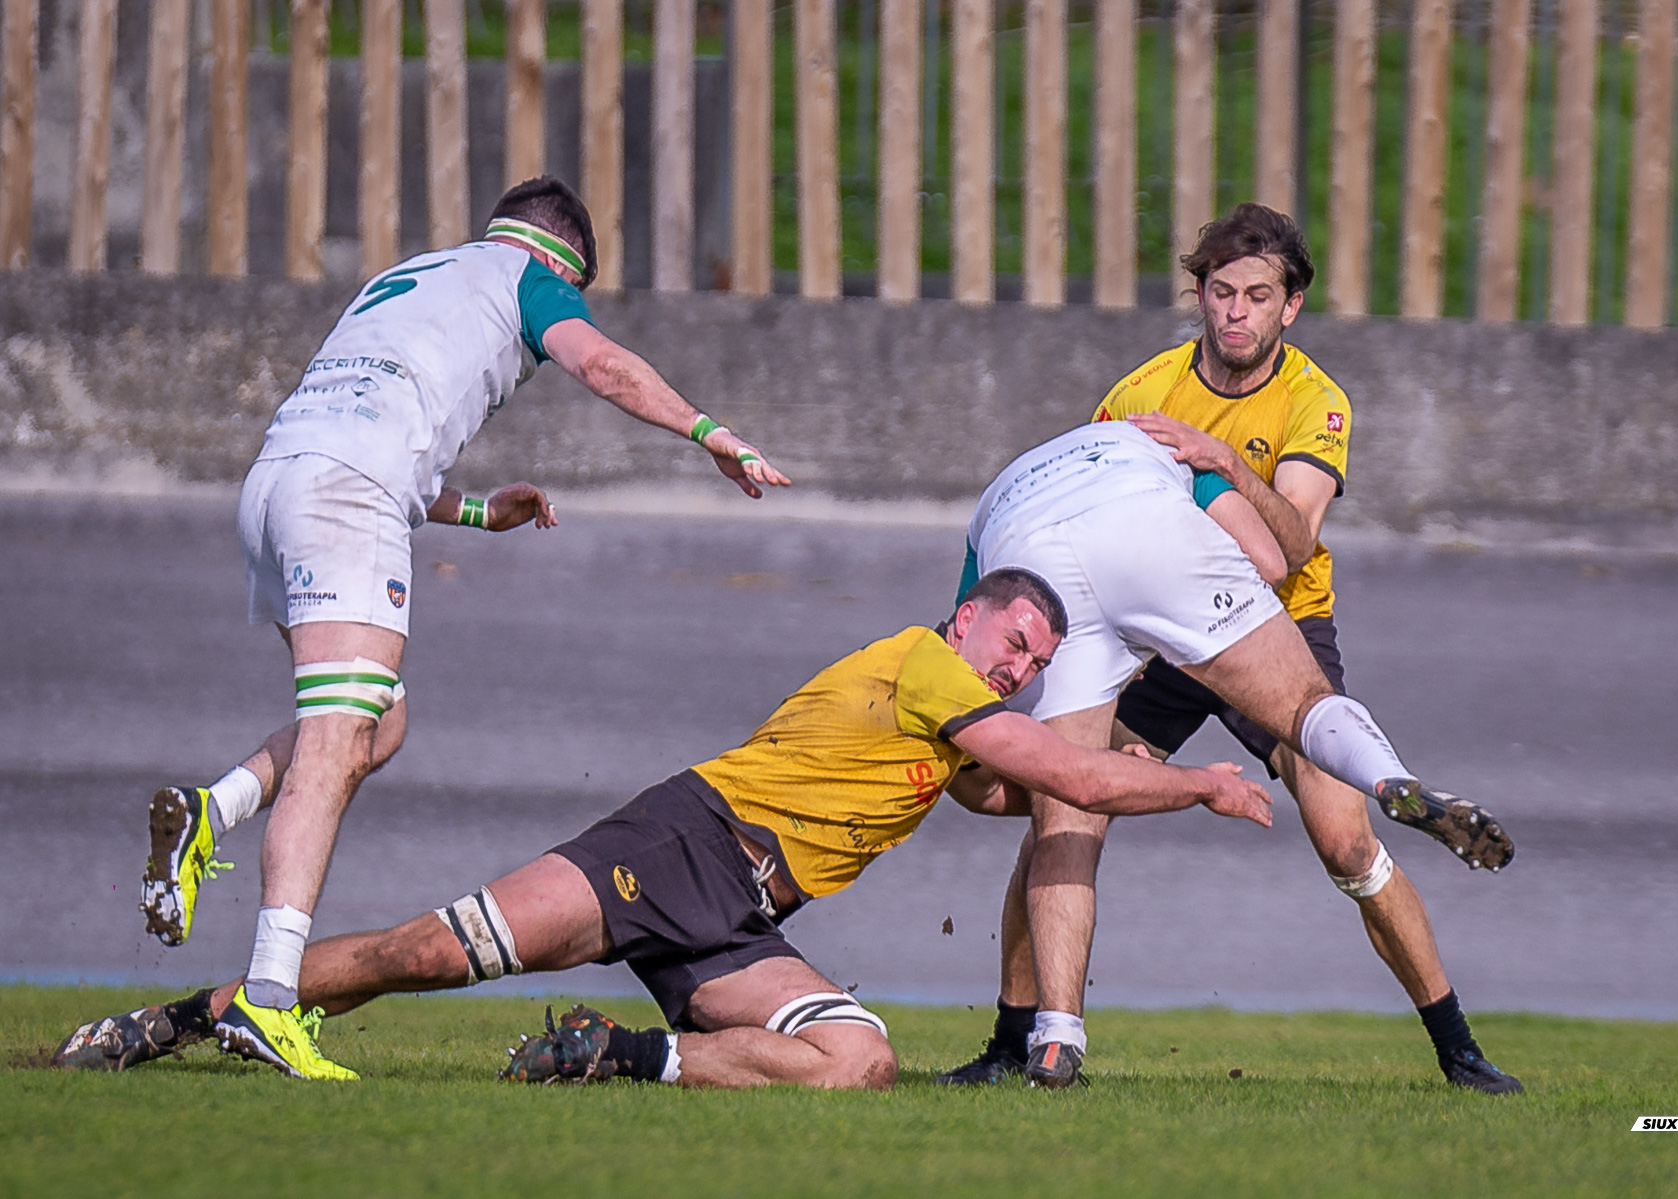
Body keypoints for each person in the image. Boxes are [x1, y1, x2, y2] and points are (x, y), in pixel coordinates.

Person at [60, 571, 1273, 1086]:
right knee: (422, 954)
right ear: (966, 618)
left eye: (1039, 662)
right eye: (1014, 643)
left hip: (740, 914)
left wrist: (1123, 758)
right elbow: (1062, 776)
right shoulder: (925, 664)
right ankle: (168, 1022)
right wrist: (1202, 780)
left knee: (862, 1056)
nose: (1020, 668)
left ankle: (615, 1056)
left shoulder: (952, 720)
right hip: (682, 841)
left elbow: (1024, 787)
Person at [135, 176, 791, 1081]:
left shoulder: (408, 278)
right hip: (344, 496)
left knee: (378, 716)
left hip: (277, 484)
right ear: (559, 257)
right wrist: (708, 430)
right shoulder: (530, 277)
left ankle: (214, 811)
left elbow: (374, 435)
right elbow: (604, 364)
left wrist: (481, 512)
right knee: (337, 739)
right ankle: (270, 998)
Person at [936, 307, 1521, 1094]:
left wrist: (1005, 767)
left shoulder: (1308, 397)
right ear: (1202, 295)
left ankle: (1049, 1038)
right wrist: (1214, 480)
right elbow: (1262, 555)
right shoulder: (1153, 407)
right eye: (1219, 290)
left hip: (1182, 604)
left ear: (1288, 304)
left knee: (1065, 804)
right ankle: (1388, 783)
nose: (1233, 309)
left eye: (1252, 292)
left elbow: (1292, 552)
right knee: (1318, 793)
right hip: (1192, 604)